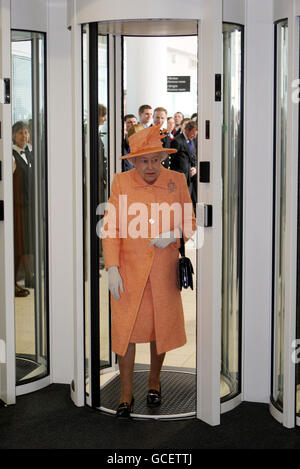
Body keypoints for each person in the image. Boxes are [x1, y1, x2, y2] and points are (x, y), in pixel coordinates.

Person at [102, 125, 196, 419]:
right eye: (145, 160)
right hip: (128, 273)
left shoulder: (176, 180)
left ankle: (154, 381)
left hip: (163, 271)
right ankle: (126, 393)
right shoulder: (121, 182)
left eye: (156, 159)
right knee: (124, 331)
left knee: (160, 328)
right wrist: (112, 267)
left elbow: (191, 220)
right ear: (132, 161)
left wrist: (176, 233)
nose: (152, 166)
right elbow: (111, 228)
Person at [12, 121, 35, 297]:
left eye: (26, 133)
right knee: (18, 244)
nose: (24, 136)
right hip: (17, 207)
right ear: (13, 135)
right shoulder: (11, 156)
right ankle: (12, 283)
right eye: (20, 133)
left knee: (28, 242)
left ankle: (29, 276)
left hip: (29, 205)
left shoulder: (29, 153)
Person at [170, 120, 198, 209]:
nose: (194, 136)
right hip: (180, 178)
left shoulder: (192, 141)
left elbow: (193, 157)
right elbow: (172, 160)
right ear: (186, 130)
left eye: (195, 134)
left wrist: (194, 168)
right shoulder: (177, 141)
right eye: (193, 133)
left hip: (190, 178)